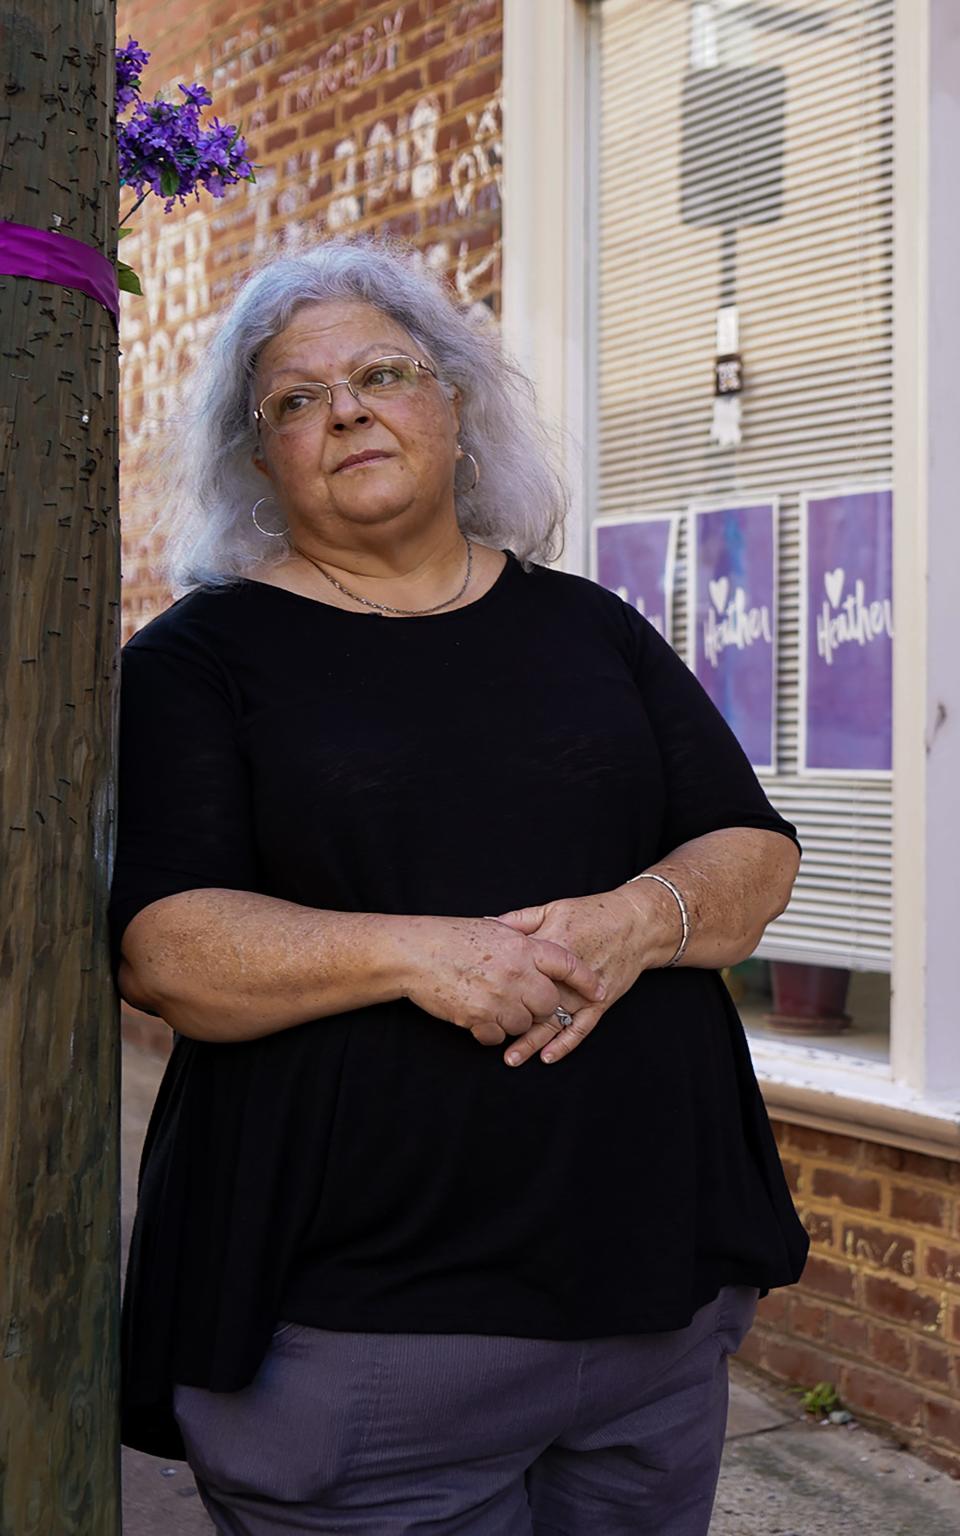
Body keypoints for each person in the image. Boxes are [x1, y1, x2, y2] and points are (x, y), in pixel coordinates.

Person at [111, 237, 808, 1536]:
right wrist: (425, 955)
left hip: (651, 1303)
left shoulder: (588, 626)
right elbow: (169, 951)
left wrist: (634, 921)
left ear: (456, 405)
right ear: (258, 456)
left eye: (381, 373)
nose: (348, 412)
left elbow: (751, 860)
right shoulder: (197, 661)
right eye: (297, 400)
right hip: (363, 1337)